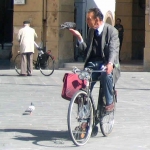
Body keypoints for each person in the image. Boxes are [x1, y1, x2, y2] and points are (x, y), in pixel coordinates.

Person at [69, 8, 120, 112]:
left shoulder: (112, 31)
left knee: (106, 74)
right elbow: (86, 50)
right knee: (83, 87)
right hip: (92, 64)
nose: (87, 21)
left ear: (97, 20)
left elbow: (113, 49)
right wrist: (79, 38)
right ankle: (85, 118)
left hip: (106, 63)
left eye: (88, 19)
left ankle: (110, 102)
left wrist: (110, 63)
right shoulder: (91, 31)